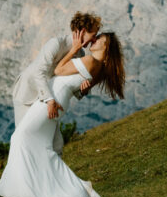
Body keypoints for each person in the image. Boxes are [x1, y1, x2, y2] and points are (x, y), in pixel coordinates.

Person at [0, 31, 125, 197]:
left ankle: (39, 195)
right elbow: (77, 87)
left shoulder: (90, 61)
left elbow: (58, 71)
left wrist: (72, 49)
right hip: (56, 101)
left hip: (51, 102)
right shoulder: (97, 66)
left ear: (106, 47)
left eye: (100, 40)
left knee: (21, 138)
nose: (94, 40)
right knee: (41, 148)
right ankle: (48, 195)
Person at [11, 12, 102, 155]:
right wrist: (50, 100)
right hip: (27, 94)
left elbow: (71, 84)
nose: (94, 39)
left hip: (49, 99)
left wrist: (83, 91)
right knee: (25, 139)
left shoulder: (81, 55)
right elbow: (38, 72)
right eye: (94, 34)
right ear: (83, 31)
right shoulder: (56, 43)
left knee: (56, 144)